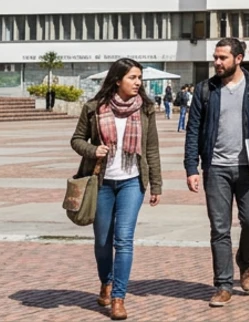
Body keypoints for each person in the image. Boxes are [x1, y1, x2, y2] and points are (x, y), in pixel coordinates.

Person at [185, 39, 249, 307]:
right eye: (215, 57)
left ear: (238, 59)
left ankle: (245, 261)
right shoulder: (206, 89)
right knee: (219, 228)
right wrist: (191, 168)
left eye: (223, 58)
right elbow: (193, 129)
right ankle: (224, 284)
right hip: (216, 168)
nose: (217, 62)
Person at [71, 58, 162, 321]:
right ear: (118, 79)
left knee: (123, 240)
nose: (138, 83)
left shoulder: (145, 109)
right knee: (102, 241)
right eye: (133, 77)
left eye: (139, 78)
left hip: (132, 181)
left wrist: (156, 184)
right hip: (101, 182)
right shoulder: (93, 108)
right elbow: (76, 139)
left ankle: (118, 297)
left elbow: (152, 149)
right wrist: (92, 149)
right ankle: (106, 282)